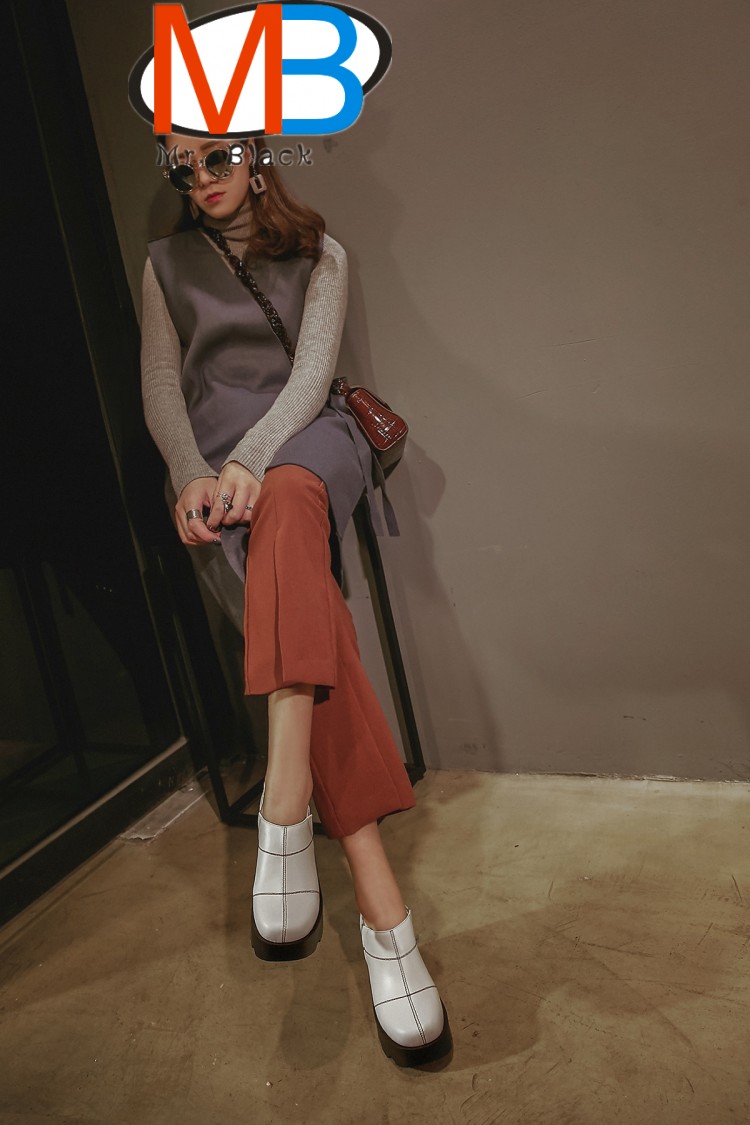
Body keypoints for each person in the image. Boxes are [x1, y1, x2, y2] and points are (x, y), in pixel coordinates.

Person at [139, 133, 452, 1067]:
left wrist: (250, 458)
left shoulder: (322, 250)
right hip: (212, 469)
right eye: (180, 166)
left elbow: (311, 377)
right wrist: (193, 472)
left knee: (283, 499)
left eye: (216, 158)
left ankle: (286, 803)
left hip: (307, 442)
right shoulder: (161, 265)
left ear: (257, 154)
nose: (200, 179)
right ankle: (383, 911)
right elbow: (160, 388)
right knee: (304, 611)